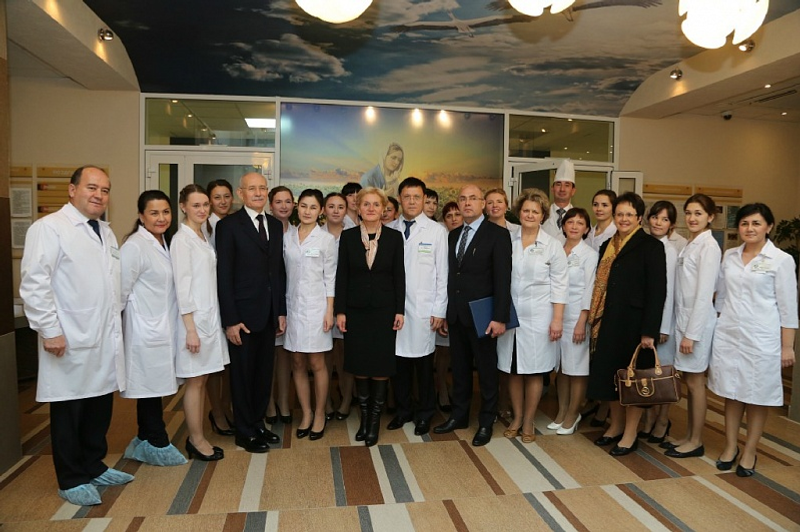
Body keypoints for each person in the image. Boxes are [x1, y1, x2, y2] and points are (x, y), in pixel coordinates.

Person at [20, 165, 133, 506]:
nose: (99, 195)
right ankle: (71, 478)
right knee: (70, 408)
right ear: (72, 190)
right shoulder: (49, 228)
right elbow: (34, 283)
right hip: (67, 337)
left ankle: (93, 465)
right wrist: (50, 330)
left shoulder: (105, 231)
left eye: (105, 190)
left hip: (102, 335)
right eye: (91, 187)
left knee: (99, 404)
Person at [708, 203, 797, 477]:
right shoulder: (730, 256)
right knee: (732, 393)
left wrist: (787, 346)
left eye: (756, 223)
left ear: (769, 227)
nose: (750, 228)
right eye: (745, 223)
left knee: (757, 396)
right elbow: (721, 297)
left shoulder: (781, 260)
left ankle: (750, 451)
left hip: (762, 339)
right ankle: (730, 446)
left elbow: (788, 308)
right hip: (729, 334)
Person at [587, 192, 666, 456]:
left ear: (639, 218)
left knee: (632, 382)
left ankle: (630, 434)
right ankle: (616, 426)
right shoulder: (607, 245)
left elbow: (657, 292)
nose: (623, 219)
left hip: (635, 326)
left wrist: (649, 332)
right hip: (608, 321)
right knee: (611, 378)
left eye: (629, 214)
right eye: (619, 214)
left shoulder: (651, 247)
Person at [434, 185, 512, 447]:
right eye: (463, 199)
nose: (467, 203)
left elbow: (503, 279)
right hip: (457, 314)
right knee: (460, 370)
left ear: (483, 204)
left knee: (487, 372)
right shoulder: (454, 235)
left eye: (473, 199)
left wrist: (500, 317)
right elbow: (450, 276)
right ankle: (459, 416)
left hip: (484, 316)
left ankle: (486, 421)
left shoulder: (498, 234)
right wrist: (445, 312)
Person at [216, 173, 286, 453]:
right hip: (242, 317)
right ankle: (244, 431)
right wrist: (230, 320)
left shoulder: (275, 225)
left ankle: (257, 423)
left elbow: (277, 271)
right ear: (240, 193)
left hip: (269, 314)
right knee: (242, 376)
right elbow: (224, 275)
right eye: (252, 189)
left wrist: (280, 311)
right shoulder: (228, 226)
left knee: (263, 374)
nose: (258, 193)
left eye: (262, 188)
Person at [120, 191, 187, 467]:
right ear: (141, 216)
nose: (161, 218)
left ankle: (144, 438)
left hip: (161, 325)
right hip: (143, 328)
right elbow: (119, 291)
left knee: (153, 387)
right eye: (154, 213)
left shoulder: (165, 242)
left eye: (166, 212)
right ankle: (158, 441)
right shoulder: (135, 246)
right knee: (148, 387)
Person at [335, 187, 405, 447]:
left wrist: (399, 310)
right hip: (355, 311)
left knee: (381, 366)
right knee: (360, 366)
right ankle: (364, 419)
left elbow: (399, 276)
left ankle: (374, 422)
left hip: (384, 311)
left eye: (376, 204)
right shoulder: (348, 236)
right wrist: (340, 311)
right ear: (359, 207)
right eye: (366, 204)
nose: (371, 208)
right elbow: (342, 275)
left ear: (384, 209)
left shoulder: (395, 238)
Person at [498, 188, 568, 443]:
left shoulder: (552, 246)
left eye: (535, 212)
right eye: (526, 210)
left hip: (540, 317)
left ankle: (528, 421)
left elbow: (560, 285)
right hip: (509, 315)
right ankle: (516, 417)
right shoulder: (507, 240)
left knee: (535, 371)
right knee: (513, 369)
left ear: (543, 216)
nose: (529, 215)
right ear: (519, 213)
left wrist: (557, 319)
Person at [171, 184, 230, 462]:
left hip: (208, 317)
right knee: (195, 381)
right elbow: (182, 288)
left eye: (205, 204)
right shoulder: (181, 240)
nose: (203, 209)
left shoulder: (202, 234)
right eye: (196, 205)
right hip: (193, 323)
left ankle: (198, 435)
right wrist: (191, 330)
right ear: (183, 206)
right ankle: (196, 439)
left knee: (203, 379)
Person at [387, 177, 448, 435]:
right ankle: (403, 411)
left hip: (424, 308)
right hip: (395, 309)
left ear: (424, 200)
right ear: (399, 199)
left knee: (423, 366)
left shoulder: (436, 231)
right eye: (407, 196)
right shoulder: (389, 228)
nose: (411, 201)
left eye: (417, 197)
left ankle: (425, 413)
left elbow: (442, 274)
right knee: (398, 364)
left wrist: (439, 310)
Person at [662, 194, 721, 459]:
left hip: (696, 326)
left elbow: (704, 294)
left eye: (698, 213)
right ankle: (688, 435)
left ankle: (696, 441)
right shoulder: (690, 244)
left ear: (710, 217)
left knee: (696, 383)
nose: (692, 218)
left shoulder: (709, 247)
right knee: (688, 382)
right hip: (684, 321)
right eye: (688, 213)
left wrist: (691, 335)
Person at [284, 189, 337, 440]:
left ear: (321, 211)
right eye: (304, 206)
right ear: (297, 207)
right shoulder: (287, 237)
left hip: (318, 309)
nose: (307, 211)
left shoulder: (326, 240)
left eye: (313, 207)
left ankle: (319, 413)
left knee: (317, 363)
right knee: (297, 362)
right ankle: (306, 413)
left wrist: (329, 311)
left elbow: (331, 278)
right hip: (293, 308)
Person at [549, 208, 597, 436]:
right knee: (561, 368)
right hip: (557, 316)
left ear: (586, 229)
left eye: (580, 223)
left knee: (577, 369)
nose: (575, 226)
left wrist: (582, 322)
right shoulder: (556, 249)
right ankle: (562, 411)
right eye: (571, 222)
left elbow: (589, 290)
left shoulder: (589, 254)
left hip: (577, 317)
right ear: (564, 226)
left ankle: (573, 413)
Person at [639, 201, 679, 444]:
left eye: (664, 219)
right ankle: (648, 419)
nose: (658, 223)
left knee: (663, 375)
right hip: (647, 321)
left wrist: (662, 327)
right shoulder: (646, 244)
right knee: (648, 375)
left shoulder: (669, 250)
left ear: (671, 225)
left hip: (662, 325)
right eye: (655, 217)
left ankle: (662, 420)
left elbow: (668, 291)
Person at [203, 179, 235, 437]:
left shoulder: (233, 224)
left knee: (230, 362)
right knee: (215, 365)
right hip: (209, 300)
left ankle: (226, 407)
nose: (223, 201)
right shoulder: (204, 228)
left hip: (229, 299)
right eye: (217, 197)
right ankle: (217, 412)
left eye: (226, 196)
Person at [322, 193, 354, 420]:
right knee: (324, 353)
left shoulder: (354, 233)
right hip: (321, 302)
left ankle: (346, 399)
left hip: (348, 301)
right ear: (323, 209)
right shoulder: (315, 233)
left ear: (346, 210)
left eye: (340, 207)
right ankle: (325, 400)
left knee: (346, 353)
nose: (335, 211)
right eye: (331, 206)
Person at [264, 186, 295, 427]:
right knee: (267, 357)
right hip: (268, 301)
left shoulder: (298, 232)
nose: (283, 206)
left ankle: (284, 401)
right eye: (278, 202)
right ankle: (268, 403)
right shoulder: (264, 229)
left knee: (285, 356)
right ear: (270, 205)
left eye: (287, 201)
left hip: (293, 301)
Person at [434, 201, 463, 412]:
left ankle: (457, 391)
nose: (453, 219)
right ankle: (442, 389)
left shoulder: (471, 237)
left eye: (457, 214)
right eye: (449, 216)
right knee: (442, 352)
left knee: (459, 353)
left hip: (463, 304)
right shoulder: (441, 238)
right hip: (443, 301)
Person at [541, 159, 576, 244]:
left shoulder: (580, 218)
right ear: (552, 189)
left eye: (567, 185)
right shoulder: (541, 214)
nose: (562, 189)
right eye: (558, 184)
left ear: (573, 191)